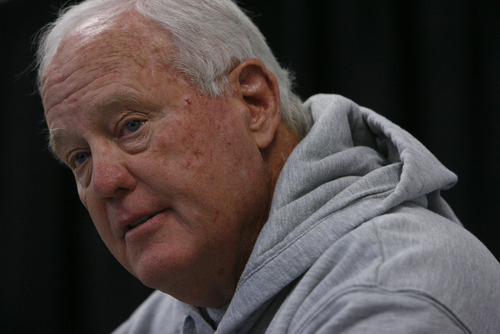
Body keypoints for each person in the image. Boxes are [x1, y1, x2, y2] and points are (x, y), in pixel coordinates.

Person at [38, 0, 500, 333]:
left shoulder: (391, 292)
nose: (104, 181)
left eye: (131, 125)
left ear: (253, 103)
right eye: (79, 157)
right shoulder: (189, 304)